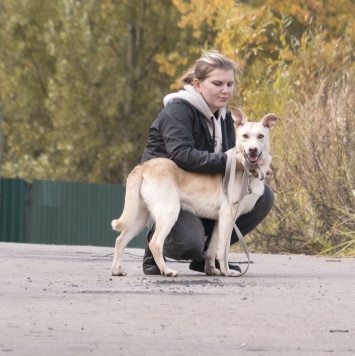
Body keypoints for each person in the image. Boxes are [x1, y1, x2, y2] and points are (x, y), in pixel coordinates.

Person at [141, 50, 274, 275]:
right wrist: (233, 161)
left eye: (230, 84)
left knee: (263, 195)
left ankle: (208, 256)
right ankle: (155, 248)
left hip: (206, 190)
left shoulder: (225, 118)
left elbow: (231, 160)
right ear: (197, 84)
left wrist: (255, 170)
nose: (225, 90)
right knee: (189, 243)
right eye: (218, 83)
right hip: (169, 188)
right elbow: (181, 155)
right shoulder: (178, 111)